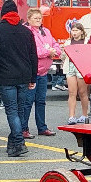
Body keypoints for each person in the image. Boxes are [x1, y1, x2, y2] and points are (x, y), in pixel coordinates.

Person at [0, 0, 39, 158]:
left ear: (3, 14)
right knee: (19, 110)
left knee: (11, 111)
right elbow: (33, 56)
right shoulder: (26, 32)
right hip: (24, 76)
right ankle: (13, 145)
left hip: (6, 77)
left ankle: (18, 142)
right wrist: (33, 77)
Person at [25, 8, 63, 136]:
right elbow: (34, 51)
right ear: (29, 19)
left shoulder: (46, 31)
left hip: (44, 72)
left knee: (41, 101)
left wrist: (56, 51)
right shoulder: (28, 32)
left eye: (40, 18)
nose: (38, 20)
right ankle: (24, 128)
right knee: (28, 102)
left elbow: (55, 44)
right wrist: (49, 52)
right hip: (32, 73)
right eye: (35, 18)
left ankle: (42, 127)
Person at [62, 16, 91, 125]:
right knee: (72, 92)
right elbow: (63, 56)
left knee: (83, 92)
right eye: (73, 30)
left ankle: (84, 114)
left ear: (81, 31)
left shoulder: (86, 41)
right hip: (70, 66)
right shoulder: (67, 42)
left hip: (81, 67)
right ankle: (71, 116)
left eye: (76, 30)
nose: (74, 32)